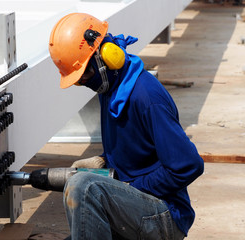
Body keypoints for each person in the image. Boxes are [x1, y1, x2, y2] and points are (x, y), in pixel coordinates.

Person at [48, 13, 204, 240]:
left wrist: (131, 187)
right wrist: (103, 160)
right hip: (136, 210)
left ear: (107, 57)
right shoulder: (110, 86)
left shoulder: (147, 97)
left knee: (84, 187)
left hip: (165, 215)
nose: (86, 84)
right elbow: (138, 145)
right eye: (80, 80)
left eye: (86, 74)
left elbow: (189, 165)